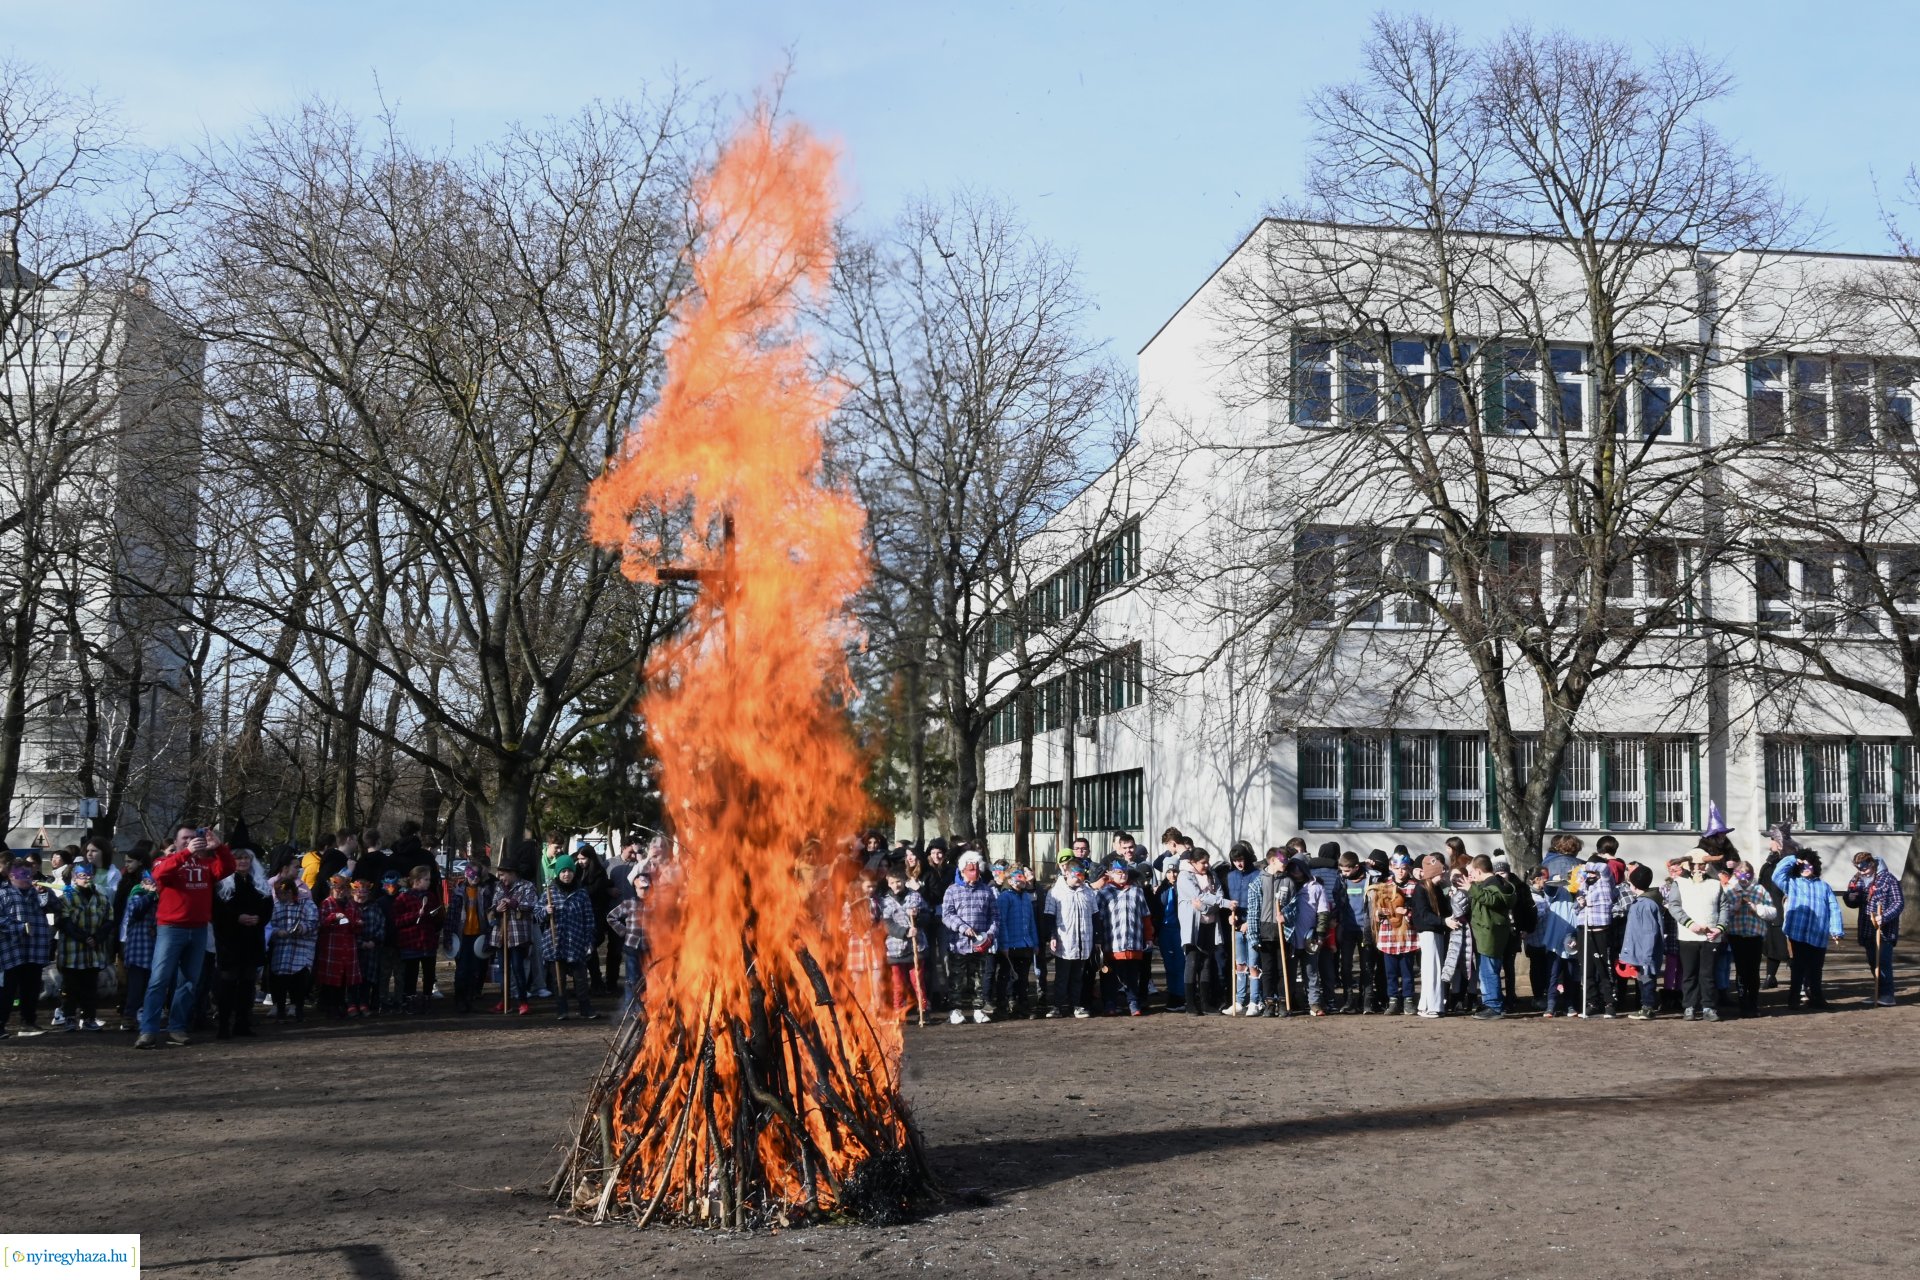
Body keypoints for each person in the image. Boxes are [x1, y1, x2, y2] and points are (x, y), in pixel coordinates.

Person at [135, 825, 236, 1050]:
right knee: (159, 979)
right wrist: (186, 853)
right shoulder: (166, 861)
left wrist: (218, 847)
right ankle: (148, 1031)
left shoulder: (206, 864)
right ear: (177, 841)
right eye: (185, 838)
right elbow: (159, 875)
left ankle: (177, 1027)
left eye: (194, 837)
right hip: (171, 928)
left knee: (189, 982)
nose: (191, 841)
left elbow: (228, 867)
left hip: (198, 928)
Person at [210, 847, 271, 1039]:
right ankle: (223, 1025)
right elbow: (217, 911)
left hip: (253, 939)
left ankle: (243, 1023)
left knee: (248, 983)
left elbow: (268, 907)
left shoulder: (259, 883)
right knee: (228, 983)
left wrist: (259, 918)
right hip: (230, 940)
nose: (243, 862)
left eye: (246, 858)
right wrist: (237, 918)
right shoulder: (222, 884)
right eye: (238, 858)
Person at [1771, 850, 1845, 1010]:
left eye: (1809, 864)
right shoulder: (1791, 882)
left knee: (1816, 969)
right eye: (1802, 864)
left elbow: (1834, 908)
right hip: (1797, 934)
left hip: (1818, 934)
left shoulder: (1824, 887)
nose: (1806, 867)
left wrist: (1836, 929)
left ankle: (1816, 997)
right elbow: (1776, 874)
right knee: (1798, 968)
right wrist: (1792, 859)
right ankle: (1794, 999)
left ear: (1815, 866)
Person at [1665, 851, 1728, 1022]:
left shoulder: (1715, 884)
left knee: (1708, 974)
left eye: (1701, 865)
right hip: (1688, 936)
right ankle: (1689, 1006)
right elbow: (1674, 906)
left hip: (1711, 937)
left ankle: (1708, 1006)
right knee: (1689, 973)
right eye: (1694, 865)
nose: (1697, 869)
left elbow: (1724, 907)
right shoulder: (1680, 883)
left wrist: (1719, 928)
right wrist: (1689, 924)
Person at [537, 854, 600, 1021]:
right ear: (558, 873)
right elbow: (537, 914)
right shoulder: (549, 893)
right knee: (559, 980)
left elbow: (589, 919)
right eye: (563, 871)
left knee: (581, 980)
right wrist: (545, 911)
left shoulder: (581, 894)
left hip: (576, 942)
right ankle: (561, 1009)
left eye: (570, 871)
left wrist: (589, 941)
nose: (567, 874)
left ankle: (585, 1008)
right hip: (555, 943)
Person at [55, 858, 113, 1032]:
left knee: (90, 987)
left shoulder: (102, 898)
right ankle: (69, 1017)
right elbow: (64, 922)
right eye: (82, 875)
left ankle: (89, 1018)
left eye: (89, 875)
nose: (86, 878)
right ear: (74, 876)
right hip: (72, 952)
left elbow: (109, 920)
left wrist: (97, 937)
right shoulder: (66, 897)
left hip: (93, 952)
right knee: (70, 988)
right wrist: (83, 938)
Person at [940, 851, 998, 1024]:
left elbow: (994, 916)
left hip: (981, 944)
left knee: (979, 979)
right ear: (963, 870)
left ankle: (978, 1009)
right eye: (970, 870)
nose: (974, 873)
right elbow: (947, 915)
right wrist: (962, 927)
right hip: (958, 943)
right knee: (957, 978)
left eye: (977, 870)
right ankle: (956, 1010)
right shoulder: (952, 890)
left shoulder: (986, 891)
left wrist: (990, 934)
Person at [1843, 851, 1903, 1007]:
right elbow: (1852, 901)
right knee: (1873, 963)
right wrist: (1850, 898)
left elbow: (1898, 903)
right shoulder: (1858, 879)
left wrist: (1884, 917)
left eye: (1863, 867)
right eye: (1858, 868)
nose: (1861, 871)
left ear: (1872, 864)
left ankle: (1888, 995)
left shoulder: (1889, 879)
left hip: (1884, 931)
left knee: (1883, 962)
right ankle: (1878, 992)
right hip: (1867, 929)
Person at [1721, 860, 1778, 1018]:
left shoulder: (1759, 890)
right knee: (1741, 969)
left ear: (1752, 875)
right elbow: (1723, 912)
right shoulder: (1730, 890)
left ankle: (1753, 1002)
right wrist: (1735, 907)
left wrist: (1757, 908)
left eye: (1747, 874)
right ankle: (1742, 1003)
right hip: (1736, 935)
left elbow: (1772, 912)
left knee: (1753, 970)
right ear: (1735, 875)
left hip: (1755, 935)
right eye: (1740, 874)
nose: (1743, 878)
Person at [1096, 861, 1154, 1016]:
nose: (1122, 875)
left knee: (1132, 975)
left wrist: (1149, 937)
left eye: (1125, 872)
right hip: (1111, 944)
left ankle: (1133, 1002)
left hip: (1133, 943)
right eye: (1118, 872)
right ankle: (1110, 1003)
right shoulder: (1103, 893)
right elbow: (1098, 919)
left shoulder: (1137, 892)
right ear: (1111, 874)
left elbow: (1145, 917)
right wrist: (1098, 940)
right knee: (1109, 975)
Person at [1045, 857, 1100, 1018]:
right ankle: (1057, 1005)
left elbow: (1095, 916)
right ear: (1067, 873)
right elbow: (1049, 917)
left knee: (1078, 977)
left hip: (1084, 941)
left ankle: (1076, 1005)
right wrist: (1052, 936)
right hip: (1064, 942)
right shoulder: (1055, 892)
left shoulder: (1088, 892)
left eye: (1082, 875)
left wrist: (1097, 939)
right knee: (1062, 977)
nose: (1079, 879)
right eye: (1076, 875)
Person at [1243, 847, 1295, 1016]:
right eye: (1283, 861)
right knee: (1268, 969)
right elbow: (1253, 911)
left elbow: (1294, 905)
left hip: (1282, 931)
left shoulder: (1289, 881)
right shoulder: (1258, 882)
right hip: (1265, 931)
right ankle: (1269, 1002)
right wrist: (1253, 935)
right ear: (1272, 860)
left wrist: (1285, 915)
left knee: (1282, 968)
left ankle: (1282, 1001)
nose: (1285, 864)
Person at [877, 866, 930, 1021]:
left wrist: (918, 917)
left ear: (904, 881)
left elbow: (927, 915)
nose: (896, 885)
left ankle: (923, 1010)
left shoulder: (915, 897)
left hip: (916, 946)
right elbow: (886, 924)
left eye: (898, 882)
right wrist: (904, 932)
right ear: (888, 883)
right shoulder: (885, 902)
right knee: (898, 984)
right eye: (892, 883)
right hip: (895, 948)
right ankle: (899, 1011)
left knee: (918, 981)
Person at [1465, 855, 1514, 1020]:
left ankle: (1494, 1005)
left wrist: (1471, 888)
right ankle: (1491, 1003)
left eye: (1472, 871)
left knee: (1488, 971)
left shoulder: (1493, 885)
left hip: (1489, 934)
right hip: (1490, 933)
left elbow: (1491, 900)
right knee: (1487, 970)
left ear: (1479, 871)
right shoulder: (1496, 882)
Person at [1369, 854, 1418, 1015]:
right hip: (1388, 935)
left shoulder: (1415, 886)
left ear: (1408, 869)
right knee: (1390, 972)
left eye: (1404, 869)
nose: (1400, 872)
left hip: (1407, 935)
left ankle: (1408, 1000)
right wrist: (1380, 912)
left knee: (1407, 971)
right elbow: (1375, 910)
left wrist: (1407, 911)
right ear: (1391, 867)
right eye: (1397, 868)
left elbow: (1420, 909)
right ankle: (1393, 1000)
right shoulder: (1384, 886)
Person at [444, 859, 495, 1014]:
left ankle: (470, 998)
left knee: (475, 970)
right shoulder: (459, 893)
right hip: (461, 937)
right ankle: (459, 999)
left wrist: (489, 935)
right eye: (471, 874)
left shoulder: (486, 892)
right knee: (461, 971)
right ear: (466, 874)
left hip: (478, 936)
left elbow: (490, 916)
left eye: (477, 875)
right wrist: (448, 936)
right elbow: (451, 916)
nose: (473, 878)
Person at [1286, 854, 1333, 1015]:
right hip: (1290, 937)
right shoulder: (1286, 884)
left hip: (1309, 937)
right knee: (1289, 973)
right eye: (1293, 868)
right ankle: (1290, 1001)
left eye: (1299, 867)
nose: (1296, 871)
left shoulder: (1316, 887)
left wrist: (1320, 935)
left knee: (1311, 972)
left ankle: (1314, 1003)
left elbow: (1323, 912)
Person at [393, 865, 444, 1014]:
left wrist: (433, 916)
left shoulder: (431, 896)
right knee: (411, 973)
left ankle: (427, 999)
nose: (429, 882)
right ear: (416, 880)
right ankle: (410, 1000)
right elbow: (397, 921)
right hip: (411, 942)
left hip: (427, 941)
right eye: (426, 879)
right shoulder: (403, 898)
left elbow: (436, 917)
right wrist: (416, 915)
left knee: (429, 973)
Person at [1571, 857, 1617, 1018]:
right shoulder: (1583, 884)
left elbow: (1604, 868)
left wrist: (1584, 866)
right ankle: (1592, 1001)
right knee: (1587, 968)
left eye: (1592, 871)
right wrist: (1580, 902)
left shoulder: (1605, 881)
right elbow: (1575, 908)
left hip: (1600, 930)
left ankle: (1609, 1002)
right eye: (1588, 872)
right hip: (1584, 928)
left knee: (1603, 968)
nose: (1589, 874)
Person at [491, 857, 538, 1015]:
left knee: (518, 968)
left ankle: (523, 1001)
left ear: (512, 873)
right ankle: (504, 1000)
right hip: (501, 933)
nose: (501, 878)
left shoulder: (527, 886)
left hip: (518, 934)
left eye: (503, 874)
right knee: (503, 970)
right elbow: (493, 905)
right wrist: (498, 908)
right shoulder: (498, 887)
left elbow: (532, 904)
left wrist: (514, 904)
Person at [1619, 865, 1667, 1020]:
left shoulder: (1645, 904)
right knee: (1642, 978)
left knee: (1647, 979)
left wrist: (1647, 954)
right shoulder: (1643, 902)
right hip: (1641, 950)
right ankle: (1646, 1006)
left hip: (1645, 951)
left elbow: (1649, 932)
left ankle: (1648, 1007)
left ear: (1634, 884)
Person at [266, 877, 318, 1020]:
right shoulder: (276, 907)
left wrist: (302, 928)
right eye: (279, 893)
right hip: (281, 950)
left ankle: (298, 1009)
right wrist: (277, 932)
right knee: (279, 981)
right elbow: (270, 925)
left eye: (286, 893)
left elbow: (313, 922)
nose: (283, 896)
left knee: (299, 980)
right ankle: (281, 1011)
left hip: (301, 948)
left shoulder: (307, 904)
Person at [991, 865, 1038, 1019]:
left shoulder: (1026, 897)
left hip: (1025, 944)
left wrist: (1035, 943)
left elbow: (1031, 922)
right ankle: (1003, 1005)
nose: (1022, 881)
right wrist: (1004, 945)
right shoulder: (1004, 897)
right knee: (1006, 977)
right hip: (1010, 945)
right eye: (1018, 878)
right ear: (1010, 881)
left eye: (1023, 877)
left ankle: (1022, 1005)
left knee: (1023, 978)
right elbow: (1001, 922)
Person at [313, 874, 362, 1018]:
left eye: (345, 888)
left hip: (348, 947)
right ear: (332, 888)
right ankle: (329, 1006)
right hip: (332, 947)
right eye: (339, 888)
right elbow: (321, 924)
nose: (342, 891)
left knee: (344, 979)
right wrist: (333, 917)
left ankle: (341, 1004)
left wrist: (357, 924)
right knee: (331, 979)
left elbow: (356, 923)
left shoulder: (351, 904)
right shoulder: (326, 903)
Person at [1409, 854, 1450, 1019]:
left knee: (1432, 968)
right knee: (1432, 969)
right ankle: (1432, 1005)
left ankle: (1427, 1004)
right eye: (1440, 873)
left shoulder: (1436, 889)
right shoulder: (1421, 889)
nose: (1443, 876)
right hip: (1428, 932)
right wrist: (1444, 921)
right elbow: (1425, 915)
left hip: (1436, 931)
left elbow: (1443, 910)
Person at [1225, 842, 1263, 1015]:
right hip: (1236, 925)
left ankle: (1255, 1000)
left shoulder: (1257, 875)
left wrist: (1250, 921)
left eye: (1241, 859)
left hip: (1252, 924)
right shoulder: (1230, 876)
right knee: (1240, 964)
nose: (1239, 863)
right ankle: (1239, 1000)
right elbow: (1227, 900)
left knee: (1253, 963)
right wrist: (1230, 916)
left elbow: (1261, 902)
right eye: (1235, 860)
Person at [118, 868, 158, 1030]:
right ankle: (128, 1016)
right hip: (137, 949)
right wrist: (149, 895)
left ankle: (145, 1014)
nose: (153, 886)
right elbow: (136, 912)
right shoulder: (136, 896)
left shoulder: (158, 899)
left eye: (155, 883)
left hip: (153, 949)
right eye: (149, 882)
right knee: (136, 986)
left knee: (150, 985)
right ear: (143, 883)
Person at [347, 873, 390, 1017]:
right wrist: (360, 943)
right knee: (353, 977)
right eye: (358, 894)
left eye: (364, 894)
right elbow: (346, 929)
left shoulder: (374, 907)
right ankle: (352, 1003)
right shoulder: (349, 908)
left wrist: (374, 941)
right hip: (353, 949)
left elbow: (381, 925)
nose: (361, 897)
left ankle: (364, 1002)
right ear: (353, 893)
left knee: (367, 977)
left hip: (372, 948)